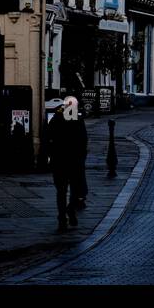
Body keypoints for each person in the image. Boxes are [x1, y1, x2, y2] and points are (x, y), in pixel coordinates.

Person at [45, 96, 88, 231]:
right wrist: (82, 157)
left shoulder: (56, 119)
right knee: (76, 189)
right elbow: (83, 141)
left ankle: (62, 216)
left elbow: (47, 138)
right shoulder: (78, 121)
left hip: (59, 160)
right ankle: (69, 210)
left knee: (61, 191)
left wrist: (50, 155)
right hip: (74, 161)